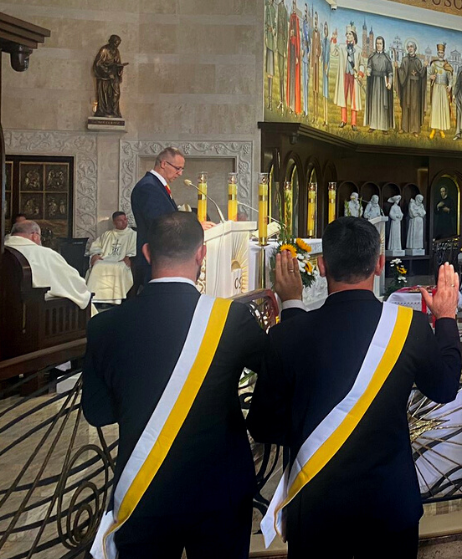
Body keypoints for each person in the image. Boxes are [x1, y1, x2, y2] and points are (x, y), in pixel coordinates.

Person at [83, 212, 303, 559]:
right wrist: (291, 307)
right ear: (202, 254)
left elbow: (98, 413)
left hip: (143, 490)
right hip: (220, 490)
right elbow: (281, 371)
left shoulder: (104, 326)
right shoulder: (230, 319)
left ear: (146, 253)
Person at [248, 218, 462, 557]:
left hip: (316, 509)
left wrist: (311, 421)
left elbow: (263, 426)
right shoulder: (410, 327)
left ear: (322, 266)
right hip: (388, 508)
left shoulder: (287, 335)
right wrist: (446, 318)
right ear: (379, 264)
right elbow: (445, 388)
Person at [129, 147, 184, 290]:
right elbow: (160, 223)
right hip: (155, 260)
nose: (180, 173)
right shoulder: (148, 187)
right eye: (178, 168)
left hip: (163, 258)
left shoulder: (156, 185)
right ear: (164, 164)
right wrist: (192, 226)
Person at [5, 220, 91, 309]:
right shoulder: (45, 254)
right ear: (35, 236)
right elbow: (74, 283)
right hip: (38, 310)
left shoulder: (2, 252)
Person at [86, 211, 137, 310]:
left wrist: (130, 256)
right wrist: (95, 254)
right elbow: (96, 246)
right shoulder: (107, 234)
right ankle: (96, 298)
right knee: (97, 265)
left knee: (119, 267)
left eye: (125, 219)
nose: (124, 222)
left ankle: (116, 299)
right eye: (120, 220)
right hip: (106, 258)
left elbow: (135, 249)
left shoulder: (133, 235)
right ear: (114, 222)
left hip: (122, 260)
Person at [364, 36, 394, 132]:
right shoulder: (372, 56)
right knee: (374, 103)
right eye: (377, 43)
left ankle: (384, 127)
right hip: (374, 82)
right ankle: (373, 125)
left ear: (383, 45)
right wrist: (368, 71)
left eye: (380, 43)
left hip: (383, 83)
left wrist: (389, 83)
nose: (378, 45)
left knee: (383, 105)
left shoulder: (386, 57)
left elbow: (390, 72)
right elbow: (369, 66)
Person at [397, 41, 427, 135]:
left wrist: (424, 67)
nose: (410, 48)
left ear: (415, 48)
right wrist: (397, 69)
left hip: (416, 87)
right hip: (406, 86)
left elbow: (421, 74)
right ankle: (404, 128)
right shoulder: (404, 60)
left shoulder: (418, 61)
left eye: (411, 47)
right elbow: (402, 72)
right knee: (406, 106)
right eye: (408, 47)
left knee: (414, 107)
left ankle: (415, 130)